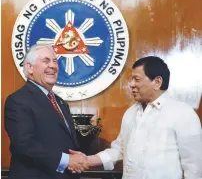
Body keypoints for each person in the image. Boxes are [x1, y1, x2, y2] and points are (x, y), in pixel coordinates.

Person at [70, 56, 202, 179]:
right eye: (131, 79)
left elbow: (194, 167)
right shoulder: (131, 113)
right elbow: (119, 150)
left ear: (157, 82)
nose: (131, 84)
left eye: (137, 79)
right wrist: (87, 160)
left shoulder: (183, 113)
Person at [4, 44, 89, 179]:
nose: (53, 66)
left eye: (55, 61)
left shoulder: (61, 102)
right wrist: (66, 161)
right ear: (29, 68)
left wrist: (80, 158)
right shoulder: (18, 100)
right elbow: (24, 145)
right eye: (46, 61)